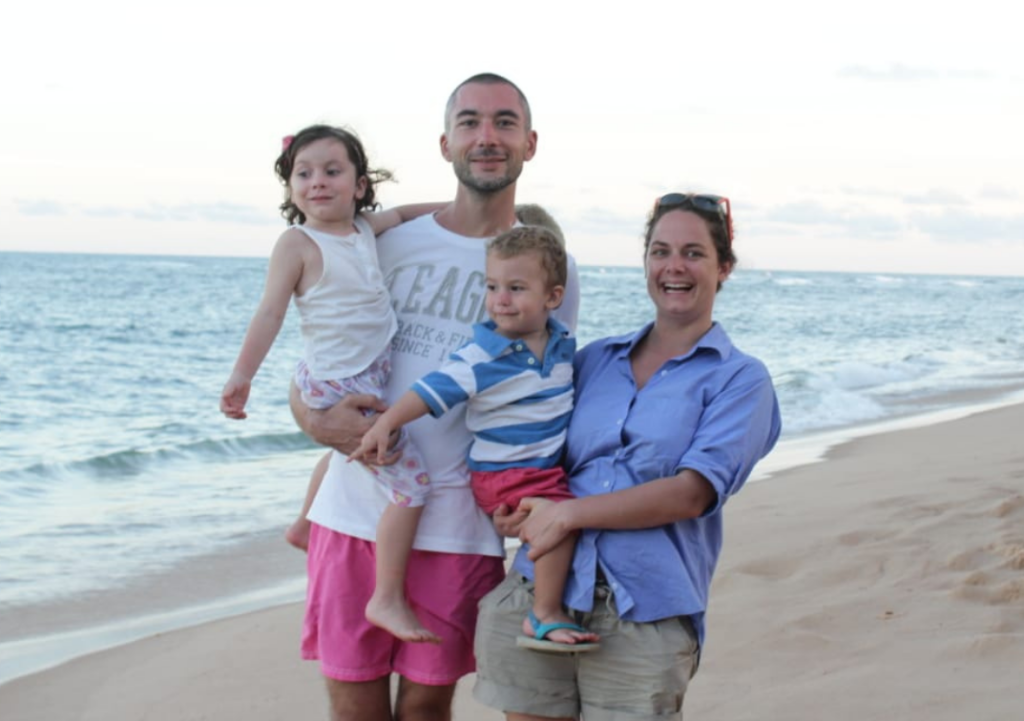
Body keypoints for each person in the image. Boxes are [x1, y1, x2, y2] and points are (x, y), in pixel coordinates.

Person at [288, 74, 580, 721]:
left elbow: (547, 398)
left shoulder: (547, 269)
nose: (486, 136)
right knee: (354, 707)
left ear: (530, 143)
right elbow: (317, 360)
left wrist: (535, 501)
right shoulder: (384, 243)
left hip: (460, 523)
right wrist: (311, 417)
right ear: (445, 141)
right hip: (354, 511)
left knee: (426, 708)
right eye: (470, 121)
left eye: (504, 122)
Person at [473, 193, 783, 720]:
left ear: (723, 267)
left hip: (643, 612)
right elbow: (541, 452)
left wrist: (567, 513)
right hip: (537, 595)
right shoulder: (593, 359)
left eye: (693, 252)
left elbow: (691, 493)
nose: (674, 267)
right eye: (660, 251)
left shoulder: (740, 379)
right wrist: (514, 505)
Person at [351, 226, 599, 653]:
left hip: (536, 467)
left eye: (516, 288)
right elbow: (430, 392)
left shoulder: (560, 343)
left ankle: (542, 596)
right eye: (492, 286)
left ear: (553, 298)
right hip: (506, 472)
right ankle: (544, 613)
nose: (500, 298)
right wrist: (386, 423)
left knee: (562, 519)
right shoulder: (485, 355)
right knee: (560, 523)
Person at [219, 124, 441, 569]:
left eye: (332, 170)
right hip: (337, 380)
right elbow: (269, 314)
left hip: (361, 370)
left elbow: (399, 215)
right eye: (303, 174)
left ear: (360, 185)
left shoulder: (362, 228)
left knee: (341, 453)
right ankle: (387, 588)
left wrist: (456, 208)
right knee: (412, 483)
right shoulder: (297, 243)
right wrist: (242, 377)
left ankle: (303, 525)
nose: (317, 181)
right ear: (291, 187)